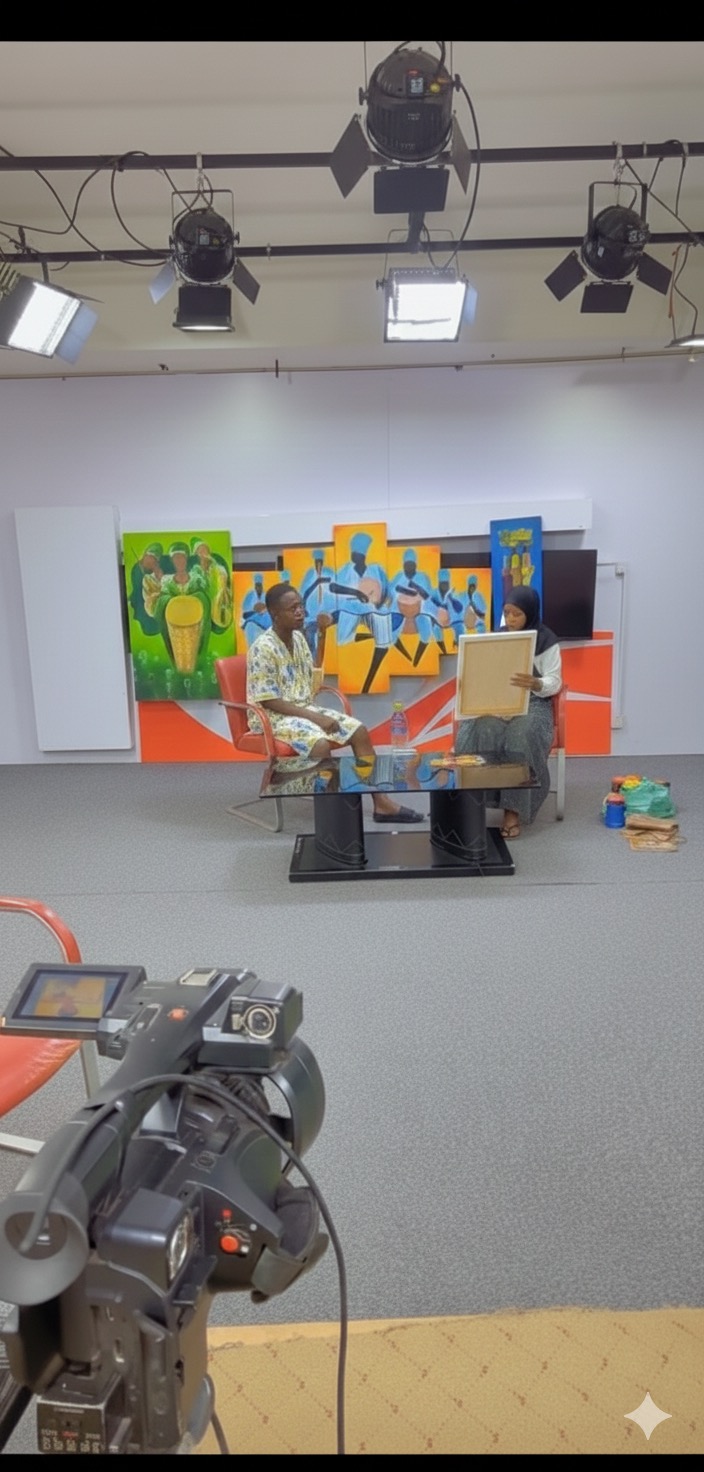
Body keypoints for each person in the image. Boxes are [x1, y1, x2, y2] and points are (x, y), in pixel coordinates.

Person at [246, 582, 423, 823]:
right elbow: (269, 700)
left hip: (301, 708)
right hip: (272, 716)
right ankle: (334, 813)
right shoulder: (262, 648)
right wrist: (317, 717)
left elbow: (313, 675)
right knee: (319, 744)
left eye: (301, 606)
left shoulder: (298, 638)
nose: (300, 612)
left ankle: (382, 803)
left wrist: (322, 634)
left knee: (359, 731)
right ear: (275, 614)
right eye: (292, 608)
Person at [454, 584, 562, 839]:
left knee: (521, 735)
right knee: (481, 728)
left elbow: (555, 681)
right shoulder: (499, 637)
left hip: (534, 702)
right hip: (498, 700)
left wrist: (536, 683)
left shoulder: (547, 641)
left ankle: (513, 810)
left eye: (517, 614)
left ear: (530, 613)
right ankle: (475, 803)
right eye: (507, 613)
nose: (511, 619)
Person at [328, 530, 394, 694]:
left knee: (384, 632)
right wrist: (356, 592)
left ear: (363, 556)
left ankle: (369, 680)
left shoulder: (376, 569)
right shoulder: (346, 569)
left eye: (356, 554)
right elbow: (333, 586)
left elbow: (387, 589)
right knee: (342, 641)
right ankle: (364, 638)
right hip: (351, 608)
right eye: (353, 553)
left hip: (373, 608)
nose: (353, 556)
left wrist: (379, 602)